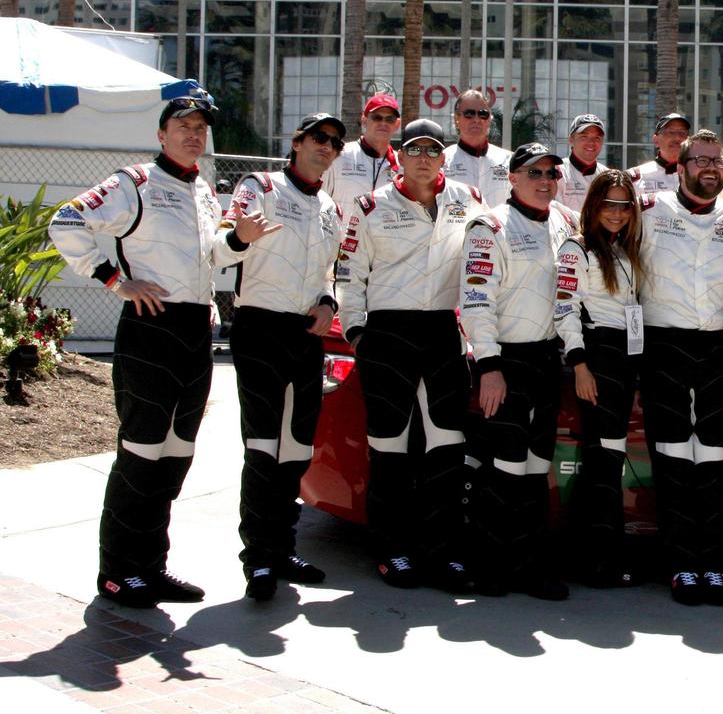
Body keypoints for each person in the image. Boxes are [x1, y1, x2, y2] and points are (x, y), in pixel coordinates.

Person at [49, 92, 251, 608]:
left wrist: (240, 240)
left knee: (176, 455)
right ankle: (118, 572)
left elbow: (213, 255)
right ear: (161, 134)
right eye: (182, 125)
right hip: (149, 328)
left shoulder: (203, 190)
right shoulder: (133, 181)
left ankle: (151, 566)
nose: (193, 134)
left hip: (194, 332)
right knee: (141, 453)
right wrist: (116, 281)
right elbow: (66, 223)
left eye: (201, 127)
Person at [337, 118, 487, 592]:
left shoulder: (468, 200)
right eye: (414, 149)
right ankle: (392, 550)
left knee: (446, 446)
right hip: (387, 333)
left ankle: (442, 552)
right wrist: (359, 334)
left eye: (433, 150)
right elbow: (348, 273)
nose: (424, 157)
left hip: (443, 331)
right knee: (391, 449)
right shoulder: (370, 206)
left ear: (444, 156)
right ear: (398, 156)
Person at [215, 113, 344, 601]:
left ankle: (283, 547)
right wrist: (238, 237)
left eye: (334, 142)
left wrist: (329, 302)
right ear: (296, 142)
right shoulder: (260, 186)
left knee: (296, 448)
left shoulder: (330, 206)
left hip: (305, 334)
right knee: (263, 446)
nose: (326, 147)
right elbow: (223, 251)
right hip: (260, 327)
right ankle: (258, 560)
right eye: (318, 138)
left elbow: (328, 273)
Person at [460, 142, 579, 601]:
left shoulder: (567, 222)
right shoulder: (488, 226)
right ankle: (492, 566)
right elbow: (475, 301)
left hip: (547, 360)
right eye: (535, 172)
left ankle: (529, 568)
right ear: (511, 178)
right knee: (503, 468)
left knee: (535, 469)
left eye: (552, 172)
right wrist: (488, 366)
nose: (546, 180)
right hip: (503, 363)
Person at [637, 128, 723, 605]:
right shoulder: (646, 211)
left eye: (717, 161)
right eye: (700, 160)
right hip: (664, 345)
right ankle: (682, 564)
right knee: (674, 458)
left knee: (715, 459)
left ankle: (715, 564)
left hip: (718, 347)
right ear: (679, 168)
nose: (710, 168)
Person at [553, 169, 645, 587]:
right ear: (593, 204)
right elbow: (564, 309)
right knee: (603, 458)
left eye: (624, 205)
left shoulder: (624, 251)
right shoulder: (577, 248)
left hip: (625, 361)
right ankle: (597, 561)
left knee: (608, 457)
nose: (617, 212)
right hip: (596, 358)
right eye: (609, 203)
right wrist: (581, 366)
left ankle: (597, 556)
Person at [322, 92, 400, 209]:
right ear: (364, 120)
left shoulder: (403, 164)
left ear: (397, 124)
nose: (383, 123)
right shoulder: (338, 155)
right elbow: (318, 199)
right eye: (376, 118)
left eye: (390, 119)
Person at [443, 89, 513, 208]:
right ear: (457, 119)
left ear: (489, 120)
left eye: (482, 114)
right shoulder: (443, 161)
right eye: (469, 114)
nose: (476, 119)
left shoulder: (509, 160)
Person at [556, 113, 611, 213]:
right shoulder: (558, 173)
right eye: (584, 136)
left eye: (597, 138)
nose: (591, 142)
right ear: (571, 140)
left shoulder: (608, 176)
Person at [633, 112, 691, 196]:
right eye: (670, 132)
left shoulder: (698, 175)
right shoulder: (638, 177)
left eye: (682, 133)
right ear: (656, 140)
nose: (677, 138)